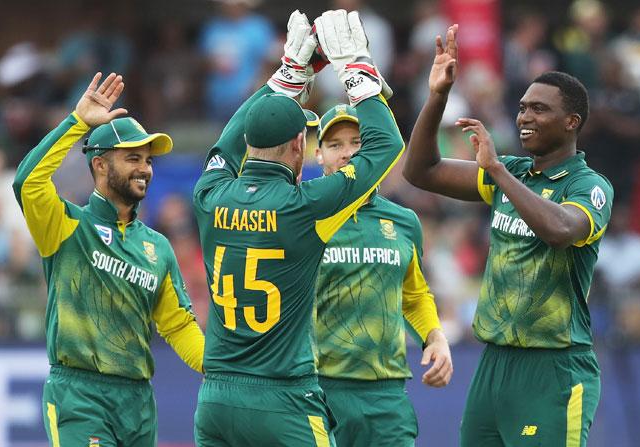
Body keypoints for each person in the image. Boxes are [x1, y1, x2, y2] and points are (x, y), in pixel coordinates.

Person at [191, 9, 404, 446]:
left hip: (214, 402)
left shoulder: (209, 195)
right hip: (284, 398)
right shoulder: (306, 206)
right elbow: (388, 145)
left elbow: (226, 142)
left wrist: (284, 79)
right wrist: (357, 70)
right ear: (297, 147)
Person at [403, 25, 613, 447]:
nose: (524, 118)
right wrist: (438, 96)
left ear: (572, 122)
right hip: (494, 364)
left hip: (554, 368)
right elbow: (420, 170)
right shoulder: (515, 174)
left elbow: (559, 230)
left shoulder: (589, 186)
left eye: (539, 109)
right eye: (521, 108)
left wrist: (497, 169)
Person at [12, 72, 205, 447]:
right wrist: (77, 123)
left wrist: (218, 367)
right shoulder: (65, 225)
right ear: (100, 165)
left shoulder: (158, 247)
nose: (145, 169)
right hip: (80, 395)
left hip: (138, 402)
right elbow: (27, 182)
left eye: (148, 160)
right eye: (133, 158)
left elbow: (178, 326)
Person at [313, 103, 453, 446]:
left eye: (357, 143)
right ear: (318, 155)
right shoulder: (303, 213)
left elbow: (415, 294)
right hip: (317, 389)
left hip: (387, 393)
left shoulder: (404, 222)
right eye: (335, 145)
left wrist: (434, 336)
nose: (348, 154)